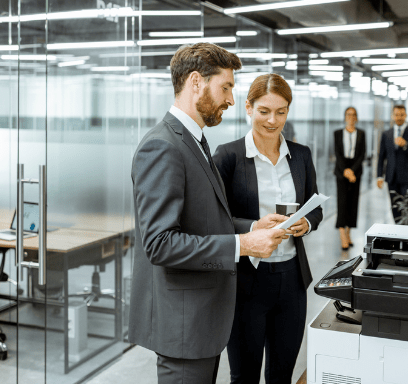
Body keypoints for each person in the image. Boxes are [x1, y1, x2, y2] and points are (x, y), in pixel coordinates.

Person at [129, 43, 287, 384]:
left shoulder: (194, 140)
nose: (231, 100)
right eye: (226, 87)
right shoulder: (163, 146)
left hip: (202, 323)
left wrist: (252, 226)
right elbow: (160, 244)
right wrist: (243, 244)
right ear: (197, 82)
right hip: (183, 327)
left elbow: (202, 218)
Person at [213, 73, 323, 384]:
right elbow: (212, 218)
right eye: (264, 111)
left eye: (281, 111)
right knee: (244, 376)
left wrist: (307, 223)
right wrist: (252, 226)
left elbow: (316, 207)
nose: (272, 120)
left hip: (291, 281)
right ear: (248, 108)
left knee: (282, 374)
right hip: (247, 282)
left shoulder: (301, 156)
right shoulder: (228, 156)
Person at [377, 104, 408, 222]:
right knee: (395, 209)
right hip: (392, 178)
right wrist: (379, 176)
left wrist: (406, 145)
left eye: (402, 115)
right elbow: (381, 157)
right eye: (397, 115)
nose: (399, 117)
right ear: (393, 116)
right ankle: (397, 234)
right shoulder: (386, 134)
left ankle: (406, 235)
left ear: (406, 115)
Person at [334, 107, 366, 249]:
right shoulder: (337, 133)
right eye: (348, 114)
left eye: (354, 115)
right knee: (342, 203)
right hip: (341, 170)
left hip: (356, 170)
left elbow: (362, 154)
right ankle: (342, 236)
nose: (351, 117)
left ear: (356, 118)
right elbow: (337, 153)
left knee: (353, 203)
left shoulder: (361, 133)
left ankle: (349, 233)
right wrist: (346, 171)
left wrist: (352, 171)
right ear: (345, 117)